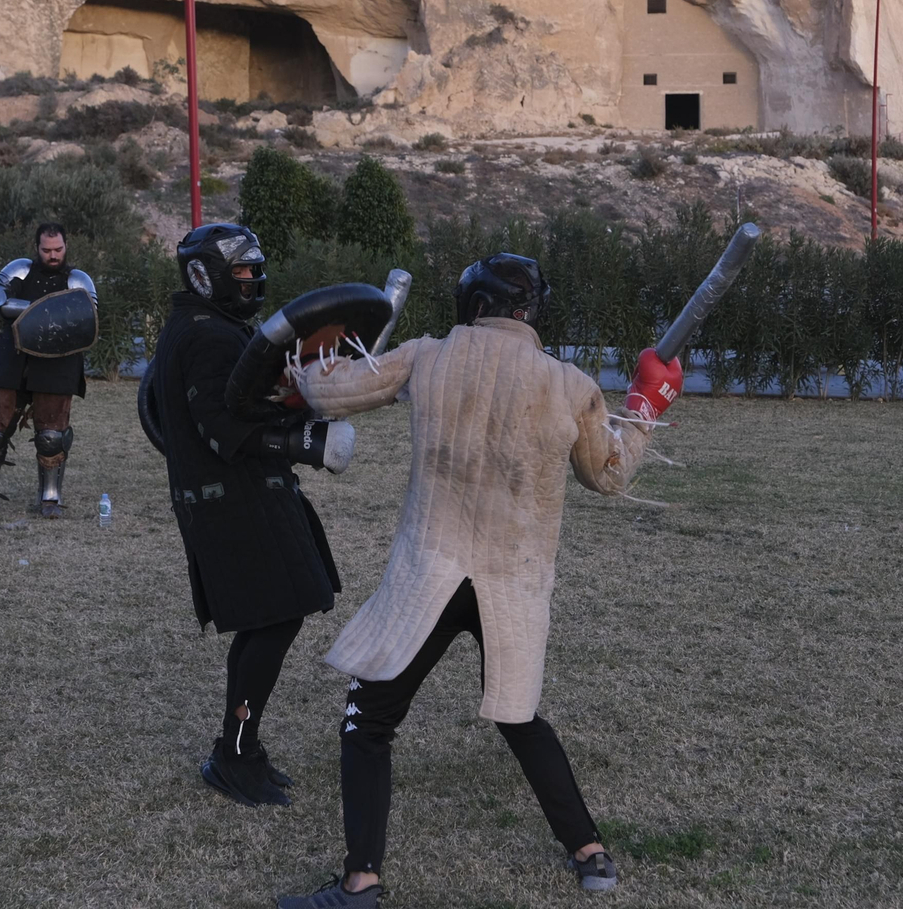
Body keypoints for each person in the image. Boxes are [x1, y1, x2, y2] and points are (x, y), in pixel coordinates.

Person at [277, 253, 684, 907]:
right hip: (512, 580)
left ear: (473, 304)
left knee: (370, 717)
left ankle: (361, 882)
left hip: (430, 574)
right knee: (519, 717)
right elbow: (609, 473)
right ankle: (591, 853)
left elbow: (325, 391)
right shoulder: (567, 383)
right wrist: (644, 404)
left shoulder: (429, 355)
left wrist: (317, 342)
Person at [150, 223, 347, 807]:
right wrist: (304, 442)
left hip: (243, 496)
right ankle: (235, 754)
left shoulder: (207, 325)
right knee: (276, 617)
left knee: (273, 618)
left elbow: (242, 402)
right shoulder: (205, 334)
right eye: (239, 273)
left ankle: (239, 749)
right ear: (204, 275)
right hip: (234, 501)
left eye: (252, 271)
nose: (251, 281)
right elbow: (221, 426)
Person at [0, 223, 96, 519]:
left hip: (58, 361)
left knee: (52, 436)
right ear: (36, 248)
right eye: (47, 250)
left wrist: (28, 310)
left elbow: (89, 317)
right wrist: (46, 310)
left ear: (66, 246)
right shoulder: (19, 269)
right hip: (14, 356)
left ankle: (50, 500)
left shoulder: (78, 279)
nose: (53, 256)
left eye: (58, 250)